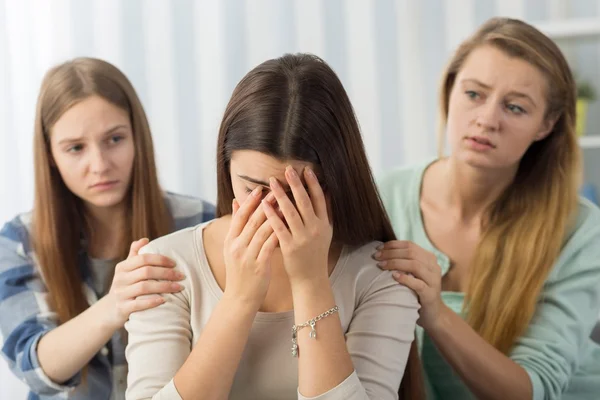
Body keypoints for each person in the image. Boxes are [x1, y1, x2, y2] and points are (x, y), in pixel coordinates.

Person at [125, 53, 423, 400]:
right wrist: (239, 298)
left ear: (337, 181)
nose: (274, 211)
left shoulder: (380, 275)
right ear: (226, 166)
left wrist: (311, 283)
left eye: (298, 193)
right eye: (253, 189)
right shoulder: (166, 265)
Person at [375, 17, 600, 400]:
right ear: (449, 91)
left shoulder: (580, 229)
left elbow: (536, 390)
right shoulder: (384, 195)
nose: (486, 119)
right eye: (474, 94)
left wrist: (437, 314)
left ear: (545, 126)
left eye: (514, 108)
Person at [0, 57, 215, 400]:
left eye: (114, 139)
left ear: (137, 137)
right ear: (50, 155)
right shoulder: (19, 242)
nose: (99, 165)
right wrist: (115, 304)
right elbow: (33, 368)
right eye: (75, 148)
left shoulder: (200, 221)